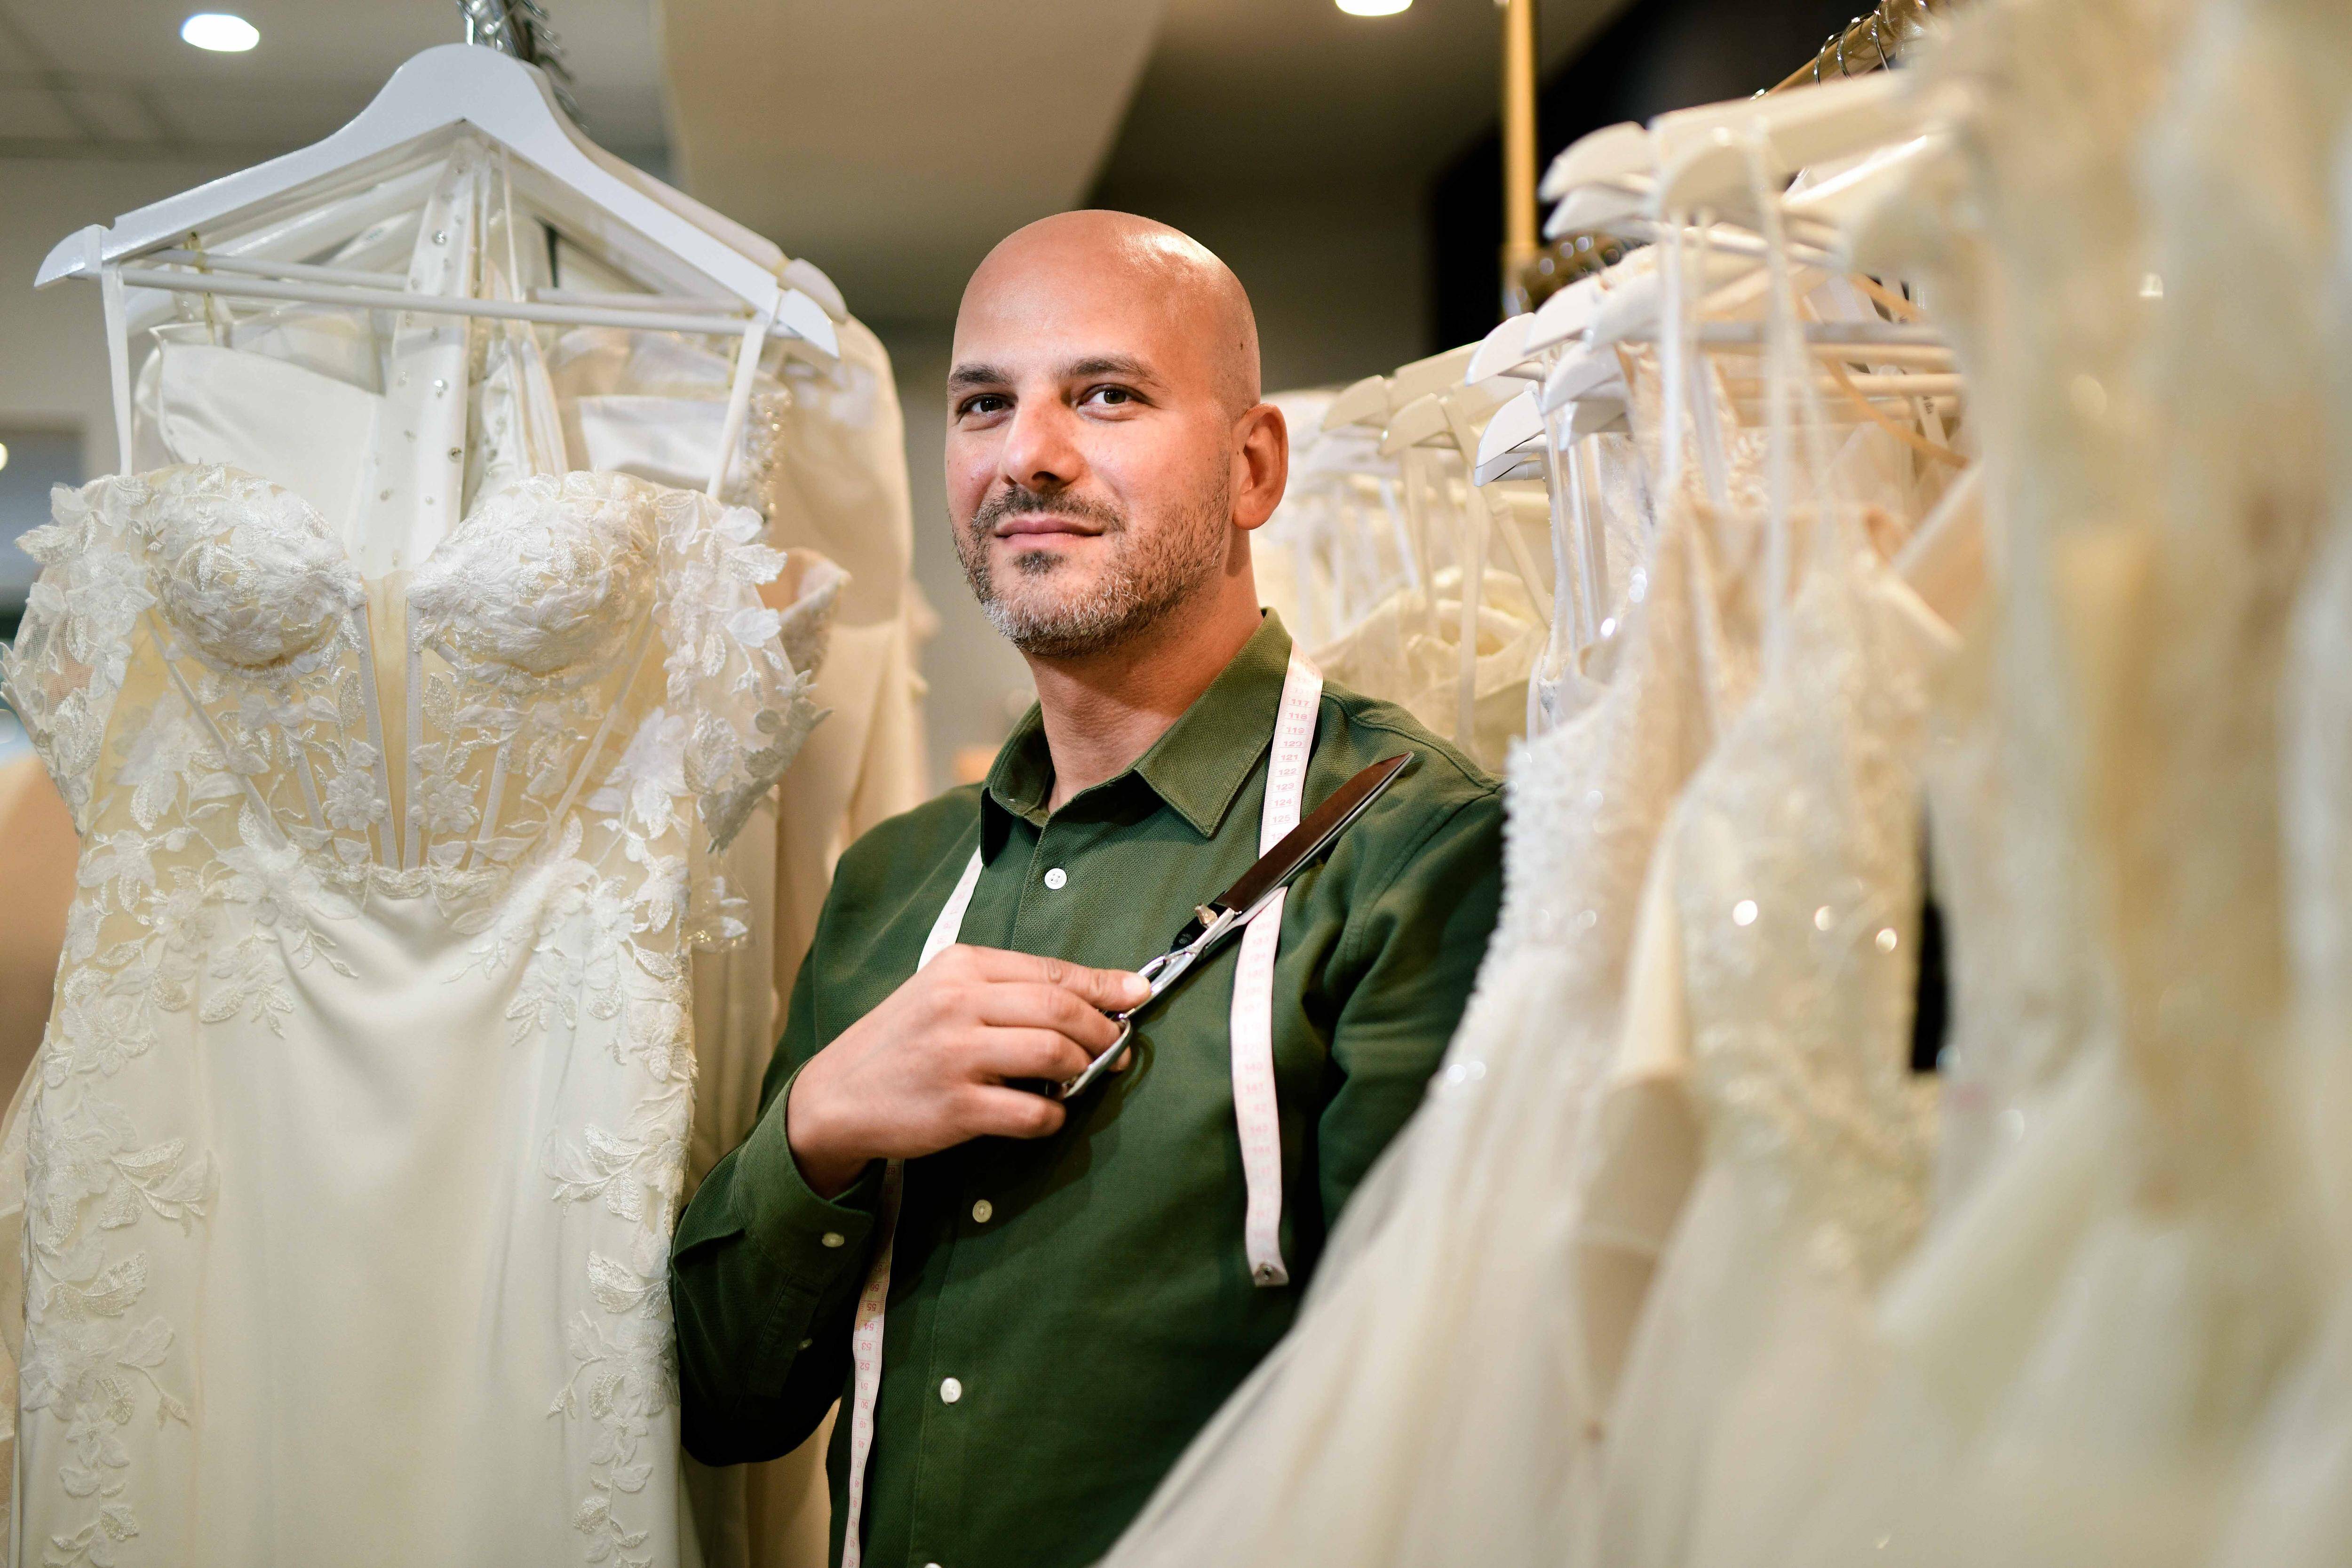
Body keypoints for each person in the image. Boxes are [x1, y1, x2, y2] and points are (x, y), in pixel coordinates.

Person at [669, 210, 1504, 1568]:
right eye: (985, 404)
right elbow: (724, 1402)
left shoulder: (1419, 853)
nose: (1028, 456)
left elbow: (1447, 1432)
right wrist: (818, 1133)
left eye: (1105, 396)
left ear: (1251, 467)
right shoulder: (894, 883)